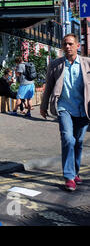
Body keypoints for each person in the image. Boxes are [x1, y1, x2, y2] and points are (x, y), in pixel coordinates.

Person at [40, 34, 90, 192]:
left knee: (79, 142)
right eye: (65, 44)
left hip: (84, 109)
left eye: (70, 44)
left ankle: (75, 172)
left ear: (77, 46)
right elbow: (48, 86)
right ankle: (69, 176)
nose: (67, 47)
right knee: (68, 139)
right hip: (64, 108)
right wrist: (43, 105)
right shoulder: (56, 65)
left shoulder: (87, 63)